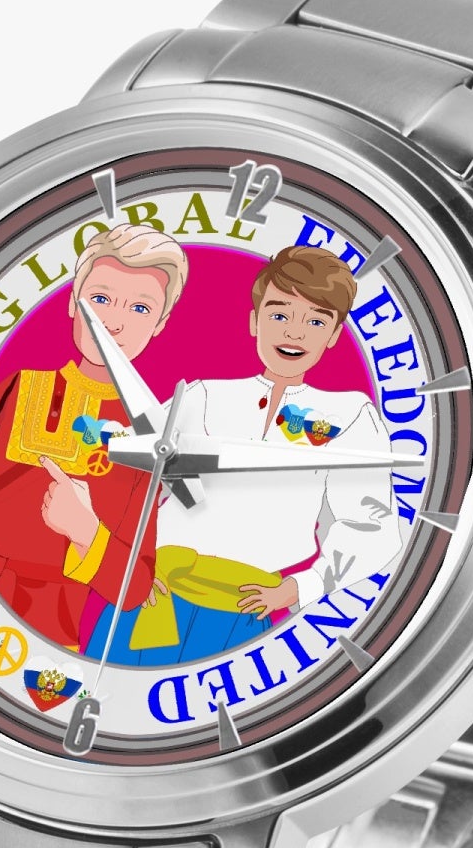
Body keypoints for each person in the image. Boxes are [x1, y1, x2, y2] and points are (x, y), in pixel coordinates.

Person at [85, 244, 402, 667]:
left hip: (244, 605)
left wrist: (300, 587)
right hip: (154, 592)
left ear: (333, 335)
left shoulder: (350, 415)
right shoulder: (202, 395)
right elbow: (135, 467)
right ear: (255, 322)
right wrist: (135, 561)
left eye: (315, 321)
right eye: (279, 315)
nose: (294, 333)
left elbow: (374, 527)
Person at [0, 223, 186, 653]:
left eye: (140, 308)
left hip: (47, 636)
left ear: (160, 325)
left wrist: (86, 531)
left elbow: (135, 586)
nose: (112, 323)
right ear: (72, 301)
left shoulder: (150, 439)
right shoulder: (18, 388)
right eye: (100, 299)